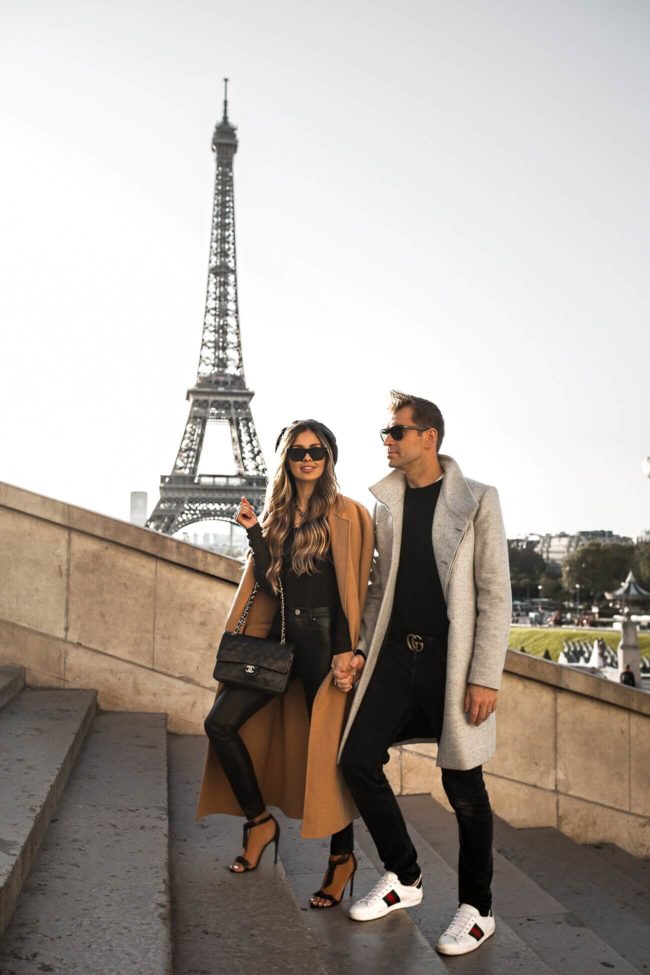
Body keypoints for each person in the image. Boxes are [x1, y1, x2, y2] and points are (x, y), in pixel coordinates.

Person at [334, 390, 511, 956]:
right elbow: (379, 589)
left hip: (449, 664)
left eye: (396, 432)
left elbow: (494, 593)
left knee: (464, 786)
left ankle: (478, 909)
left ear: (428, 437)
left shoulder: (478, 499)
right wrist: (361, 649)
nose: (387, 441)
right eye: (386, 433)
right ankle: (404, 876)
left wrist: (484, 674)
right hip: (393, 659)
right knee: (357, 758)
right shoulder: (389, 503)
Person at [197, 420, 373, 909]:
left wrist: (346, 649)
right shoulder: (277, 516)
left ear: (329, 458)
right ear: (287, 459)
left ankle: (342, 859)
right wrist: (256, 536)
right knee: (221, 724)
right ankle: (259, 821)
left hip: (325, 645)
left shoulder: (347, 515)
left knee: (334, 753)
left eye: (317, 450)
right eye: (298, 451)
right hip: (281, 642)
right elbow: (275, 588)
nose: (308, 458)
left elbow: (350, 591)